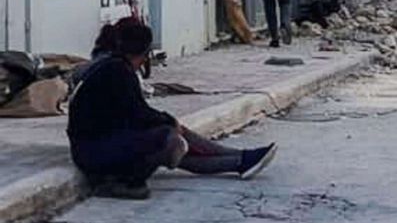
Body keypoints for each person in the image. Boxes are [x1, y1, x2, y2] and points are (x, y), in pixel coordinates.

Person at [68, 18, 278, 200]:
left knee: (173, 138)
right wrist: (169, 122)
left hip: (100, 144)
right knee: (169, 140)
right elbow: (139, 114)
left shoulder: (114, 66)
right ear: (143, 53)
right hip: (95, 152)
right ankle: (240, 160)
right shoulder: (117, 71)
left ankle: (240, 159)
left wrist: (169, 123)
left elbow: (132, 114)